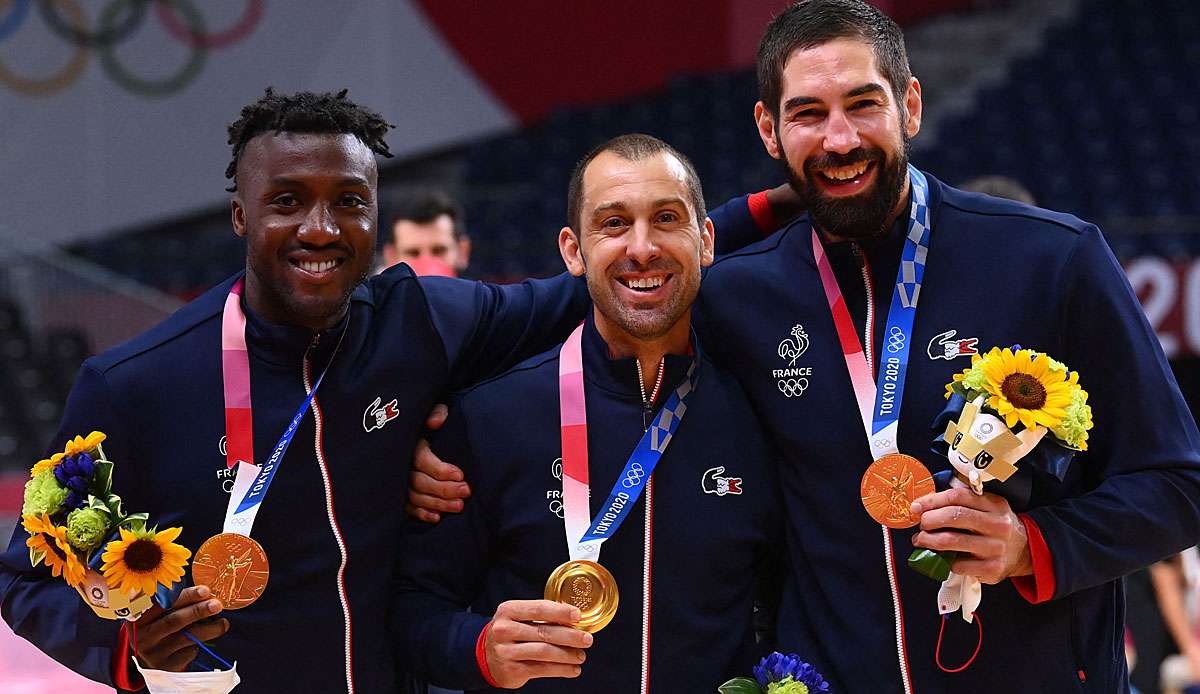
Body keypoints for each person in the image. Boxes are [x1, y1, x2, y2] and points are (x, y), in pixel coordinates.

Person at [412, 2, 1200, 691]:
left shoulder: (1053, 260)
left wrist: (1032, 545)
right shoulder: (739, 295)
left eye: (864, 104)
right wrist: (431, 426)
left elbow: (1177, 484)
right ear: (769, 129)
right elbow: (613, 302)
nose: (840, 138)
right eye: (808, 113)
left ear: (911, 105)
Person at [0, 88, 589, 693]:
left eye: (350, 202)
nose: (321, 228)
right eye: (287, 201)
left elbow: (600, 298)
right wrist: (127, 646)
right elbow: (25, 579)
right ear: (240, 215)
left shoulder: (423, 321)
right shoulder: (134, 385)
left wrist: (453, 424)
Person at [395, 134, 780, 693]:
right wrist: (477, 649)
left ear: (706, 240)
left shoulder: (760, 414)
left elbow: (793, 595)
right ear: (573, 250)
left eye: (667, 218)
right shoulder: (490, 416)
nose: (642, 248)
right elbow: (410, 605)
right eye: (614, 223)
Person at [381, 189, 472, 277]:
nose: (427, 264)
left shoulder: (482, 292)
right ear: (391, 257)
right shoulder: (372, 292)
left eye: (439, 251)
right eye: (413, 253)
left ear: (462, 251)